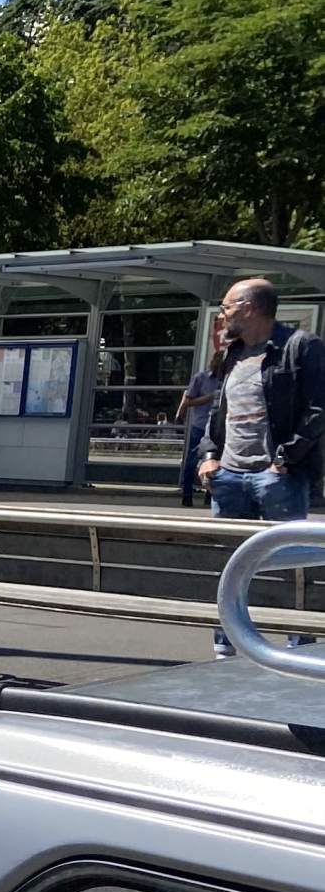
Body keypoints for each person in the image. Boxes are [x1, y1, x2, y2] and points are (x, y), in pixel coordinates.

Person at [196, 277, 325, 658]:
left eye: (226, 308)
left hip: (276, 478)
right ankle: (228, 646)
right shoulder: (231, 353)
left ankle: (300, 646)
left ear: (249, 308)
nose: (222, 316)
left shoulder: (301, 347)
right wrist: (209, 456)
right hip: (229, 476)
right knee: (231, 566)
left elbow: (318, 409)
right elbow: (219, 412)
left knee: (291, 565)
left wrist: (283, 461)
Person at [176, 321, 224, 507]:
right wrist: (209, 397)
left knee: (216, 461)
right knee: (191, 460)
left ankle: (209, 495)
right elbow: (188, 400)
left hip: (218, 427)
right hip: (200, 424)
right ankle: (186, 493)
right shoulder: (201, 378)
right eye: (217, 364)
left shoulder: (227, 380)